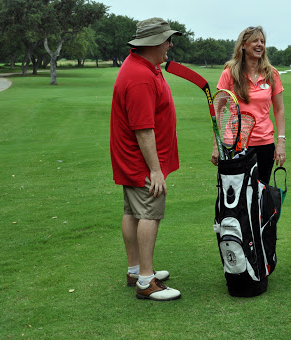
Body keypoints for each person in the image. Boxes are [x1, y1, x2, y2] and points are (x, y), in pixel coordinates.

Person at [110, 17, 182, 301]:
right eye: (166, 40)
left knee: (132, 212)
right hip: (143, 161)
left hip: (132, 159)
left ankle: (135, 270)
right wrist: (155, 170)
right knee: (149, 213)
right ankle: (146, 281)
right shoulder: (140, 77)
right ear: (153, 43)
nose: (170, 44)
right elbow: (143, 129)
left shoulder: (144, 66)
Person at [212, 26, 286, 184]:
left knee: (261, 193)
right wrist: (216, 145)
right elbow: (218, 111)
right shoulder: (229, 73)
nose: (260, 44)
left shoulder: (271, 74)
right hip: (234, 144)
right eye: (255, 41)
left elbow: (279, 110)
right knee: (236, 195)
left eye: (263, 41)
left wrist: (280, 142)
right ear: (243, 45)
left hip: (265, 144)